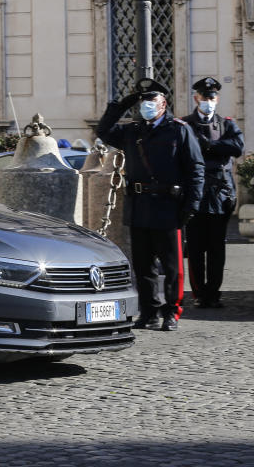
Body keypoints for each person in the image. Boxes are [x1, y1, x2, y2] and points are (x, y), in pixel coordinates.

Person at [96, 78, 204, 332]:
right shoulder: (133, 131)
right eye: (143, 101)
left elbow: (195, 169)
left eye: (151, 100)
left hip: (169, 207)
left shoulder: (179, 130)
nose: (147, 105)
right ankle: (149, 312)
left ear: (163, 103)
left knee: (172, 267)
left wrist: (191, 205)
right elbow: (103, 130)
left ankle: (171, 312)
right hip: (140, 207)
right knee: (143, 266)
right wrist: (123, 104)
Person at [181, 77, 244, 309]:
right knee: (196, 248)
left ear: (217, 99)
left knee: (217, 247)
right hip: (195, 195)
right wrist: (217, 148)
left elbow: (237, 147)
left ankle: (214, 292)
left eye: (212, 97)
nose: (209, 101)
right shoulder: (185, 124)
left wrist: (209, 145)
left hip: (219, 195)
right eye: (205, 97)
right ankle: (199, 294)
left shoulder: (226, 124)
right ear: (196, 98)